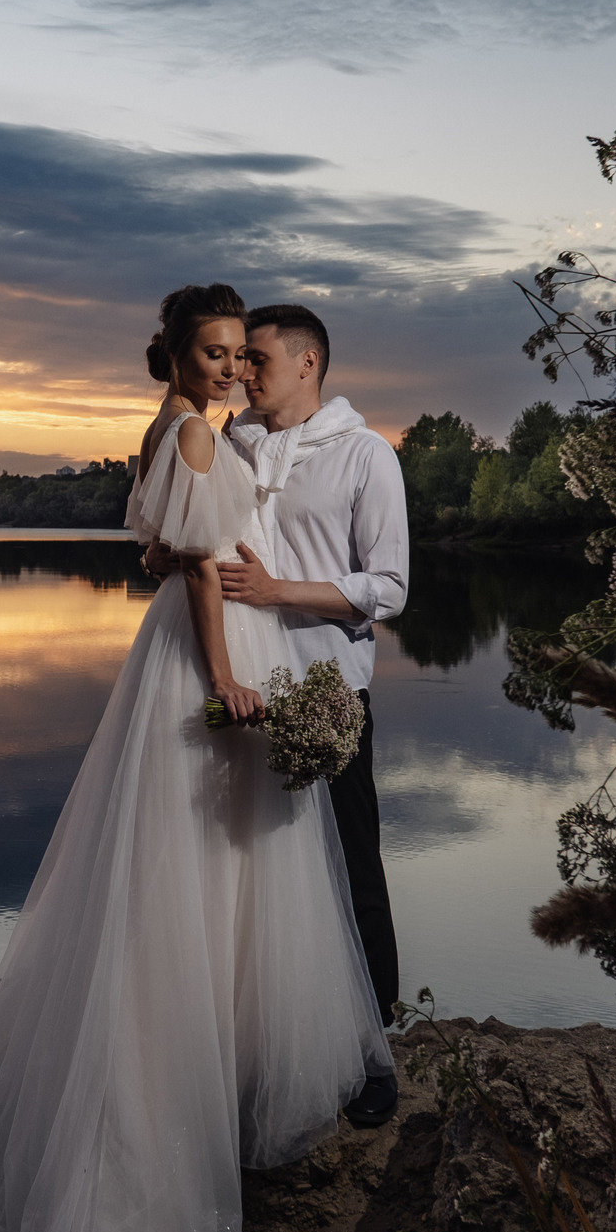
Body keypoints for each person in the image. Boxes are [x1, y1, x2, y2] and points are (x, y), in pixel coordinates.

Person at [0, 284, 392, 1232]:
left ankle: (208, 1074)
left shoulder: (177, 428)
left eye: (240, 354)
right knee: (204, 870)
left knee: (192, 871)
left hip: (184, 652)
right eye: (215, 352)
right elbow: (199, 569)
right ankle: (153, 1141)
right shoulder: (194, 431)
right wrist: (226, 678)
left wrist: (192, 580)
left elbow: (168, 547)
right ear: (175, 356)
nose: (232, 368)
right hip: (205, 659)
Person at [217, 303, 410, 1127]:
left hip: (328, 696)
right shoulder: (230, 445)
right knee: (250, 874)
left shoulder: (366, 455)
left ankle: (374, 1051)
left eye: (256, 360)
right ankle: (261, 1043)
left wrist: (276, 592)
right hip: (242, 697)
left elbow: (389, 589)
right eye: (237, 361)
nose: (242, 375)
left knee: (349, 868)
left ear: (307, 362)